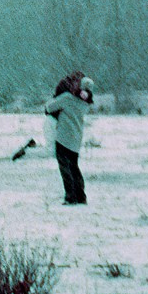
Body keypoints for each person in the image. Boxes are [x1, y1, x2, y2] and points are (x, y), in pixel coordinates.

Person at [44, 71, 94, 205]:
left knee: (65, 168)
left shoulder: (67, 98)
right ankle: (81, 196)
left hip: (63, 138)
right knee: (74, 167)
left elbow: (49, 108)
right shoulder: (85, 105)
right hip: (76, 139)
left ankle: (70, 196)